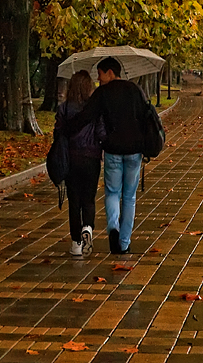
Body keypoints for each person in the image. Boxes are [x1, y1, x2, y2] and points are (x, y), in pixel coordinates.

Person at [66, 57, 149, 254]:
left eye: (100, 73)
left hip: (112, 151)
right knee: (129, 197)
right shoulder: (135, 90)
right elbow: (146, 117)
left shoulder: (103, 93)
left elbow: (86, 116)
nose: (98, 78)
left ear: (110, 72)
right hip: (134, 151)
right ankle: (124, 243)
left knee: (112, 192)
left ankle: (113, 228)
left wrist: (66, 130)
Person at [55, 70, 105, 257]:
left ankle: (76, 243)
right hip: (91, 158)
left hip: (71, 158)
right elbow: (101, 133)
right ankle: (88, 228)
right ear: (89, 87)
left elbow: (58, 133)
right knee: (89, 198)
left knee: (74, 201)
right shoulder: (94, 109)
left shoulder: (64, 109)